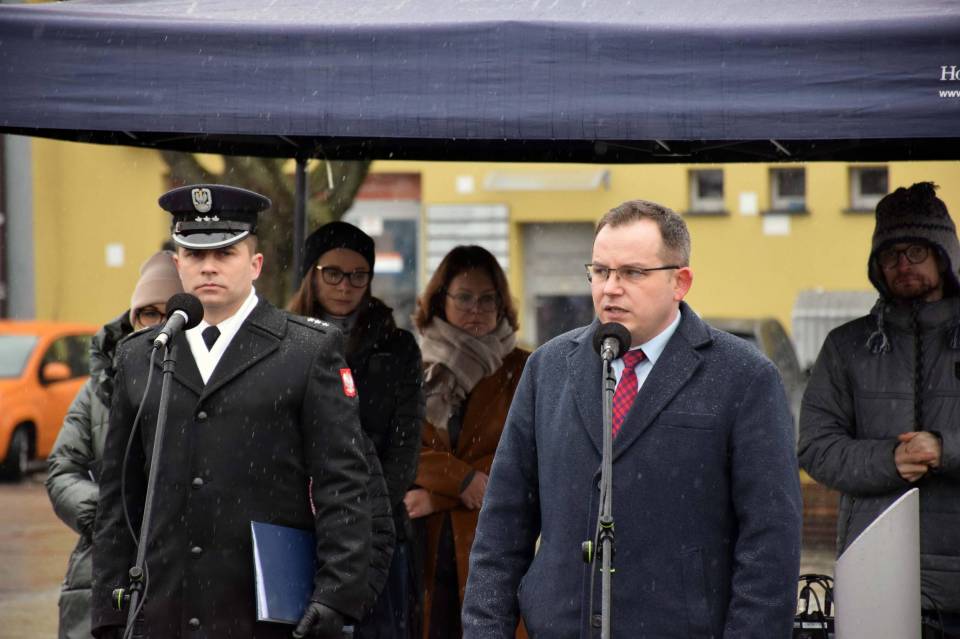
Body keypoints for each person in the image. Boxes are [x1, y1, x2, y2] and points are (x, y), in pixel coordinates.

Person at [462, 200, 802, 638]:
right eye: (601, 271)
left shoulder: (742, 377)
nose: (610, 289)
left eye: (632, 273)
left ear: (680, 282)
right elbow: (502, 526)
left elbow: (770, 543)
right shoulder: (548, 368)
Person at [91, 184, 371, 639]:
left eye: (225, 253)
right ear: (177, 263)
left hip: (265, 611)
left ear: (255, 264)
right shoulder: (141, 355)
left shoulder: (307, 350)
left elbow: (343, 484)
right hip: (162, 610)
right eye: (194, 254)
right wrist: (109, 609)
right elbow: (119, 497)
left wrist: (335, 595)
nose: (209, 266)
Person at [799, 182, 960, 639]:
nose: (903, 265)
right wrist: (890, 460)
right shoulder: (846, 346)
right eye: (890, 255)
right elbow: (815, 447)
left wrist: (944, 449)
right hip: (876, 573)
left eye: (916, 251)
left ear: (944, 255)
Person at [289, 220, 425, 638]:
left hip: (378, 529)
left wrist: (362, 512)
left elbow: (405, 447)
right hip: (300, 522)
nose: (345, 285)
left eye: (358, 275)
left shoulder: (396, 347)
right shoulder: (285, 341)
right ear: (311, 274)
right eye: (333, 272)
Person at [46, 250, 183, 639]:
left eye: (170, 312)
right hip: (101, 565)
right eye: (149, 313)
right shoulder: (97, 391)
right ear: (133, 318)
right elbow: (62, 471)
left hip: (180, 567)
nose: (159, 324)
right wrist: (112, 515)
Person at [403, 245, 529, 639]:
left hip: (493, 542)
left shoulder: (524, 368)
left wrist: (440, 495)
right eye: (464, 297)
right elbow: (403, 445)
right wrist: (461, 481)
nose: (477, 309)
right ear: (441, 299)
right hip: (425, 546)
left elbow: (524, 454)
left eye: (487, 299)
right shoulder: (413, 365)